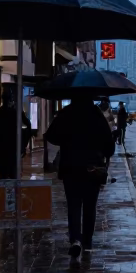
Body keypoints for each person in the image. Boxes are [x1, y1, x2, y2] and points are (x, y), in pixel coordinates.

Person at [44, 94, 114, 260]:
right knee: (90, 206)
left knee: (74, 205)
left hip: (71, 167)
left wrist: (67, 139)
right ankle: (88, 242)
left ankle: (75, 239)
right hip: (93, 168)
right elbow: (109, 147)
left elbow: (51, 136)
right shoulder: (97, 115)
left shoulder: (66, 113)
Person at [0, 91, 32, 180]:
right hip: (12, 148)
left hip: (1, 149)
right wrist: (24, 143)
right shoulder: (16, 113)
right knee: (13, 174)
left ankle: (5, 191)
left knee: (3, 174)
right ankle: (12, 192)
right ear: (11, 100)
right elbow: (29, 126)